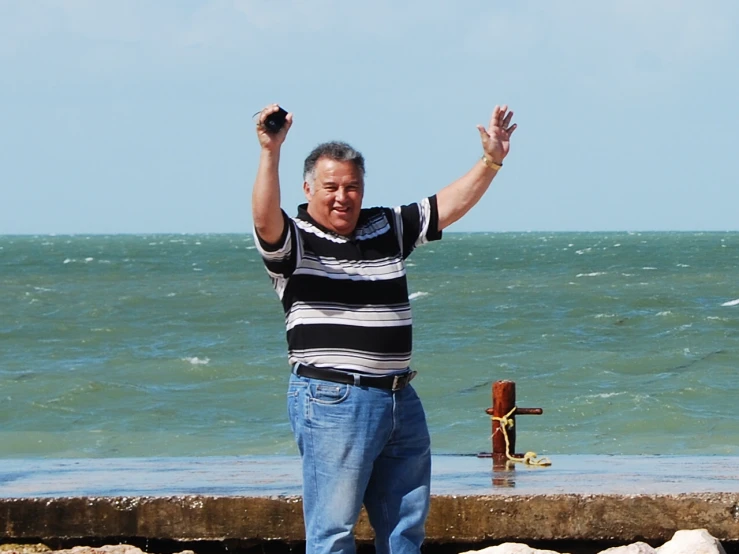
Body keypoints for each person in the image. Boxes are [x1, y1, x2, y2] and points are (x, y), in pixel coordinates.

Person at [252, 103, 516, 554]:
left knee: (404, 529)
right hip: (333, 398)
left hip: (400, 398)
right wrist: (270, 151)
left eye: (352, 187)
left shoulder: (384, 226)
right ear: (308, 188)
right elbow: (263, 218)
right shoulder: (293, 240)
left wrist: (492, 161)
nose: (342, 196)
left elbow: (447, 205)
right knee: (333, 530)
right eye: (331, 187)